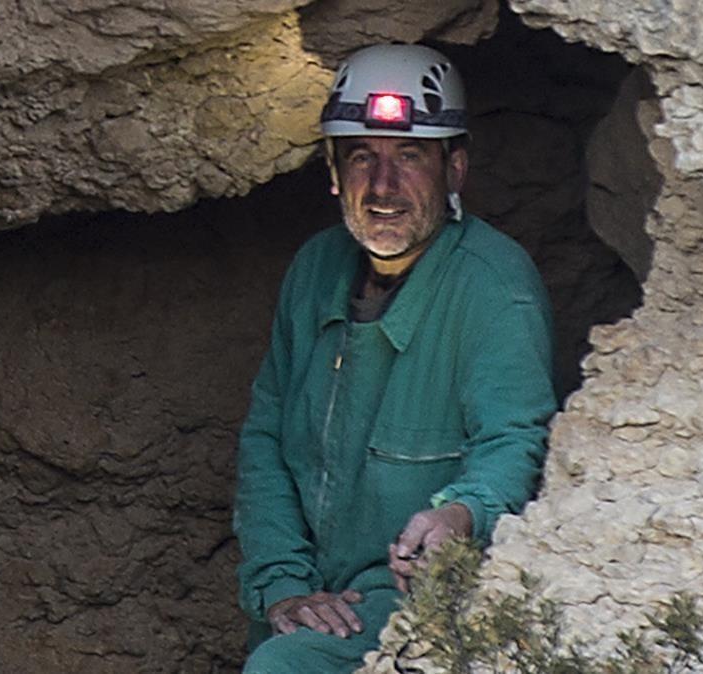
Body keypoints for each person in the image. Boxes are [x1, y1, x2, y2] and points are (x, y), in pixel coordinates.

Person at [233, 43, 558, 673]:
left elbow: (518, 440)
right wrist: (281, 586)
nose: (383, 187)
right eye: (362, 158)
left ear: (454, 168)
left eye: (410, 157)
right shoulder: (314, 271)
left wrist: (465, 512)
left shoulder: (494, 288)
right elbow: (265, 440)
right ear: (332, 171)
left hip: (409, 603)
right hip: (303, 598)